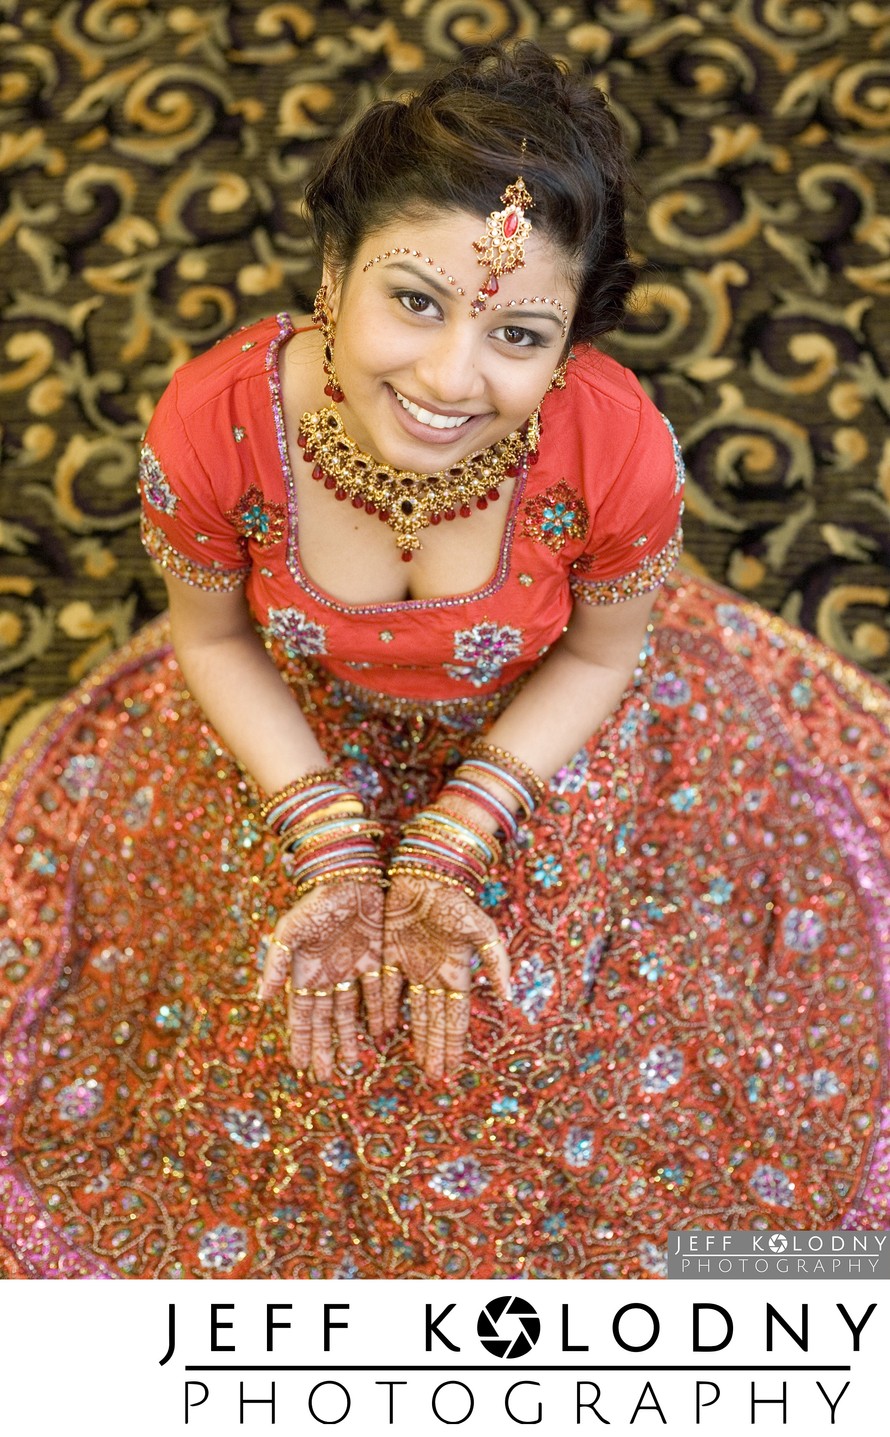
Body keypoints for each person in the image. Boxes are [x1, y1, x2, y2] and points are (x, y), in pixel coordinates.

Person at [1, 42, 887, 1281]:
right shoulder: (212, 425)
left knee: (514, 1029)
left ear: (572, 339)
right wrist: (332, 843)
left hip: (536, 730)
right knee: (293, 1024)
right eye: (412, 300)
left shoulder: (613, 445)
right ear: (331, 271)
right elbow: (211, 637)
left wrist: (449, 837)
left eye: (517, 331)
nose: (446, 377)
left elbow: (592, 658)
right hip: (297, 722)